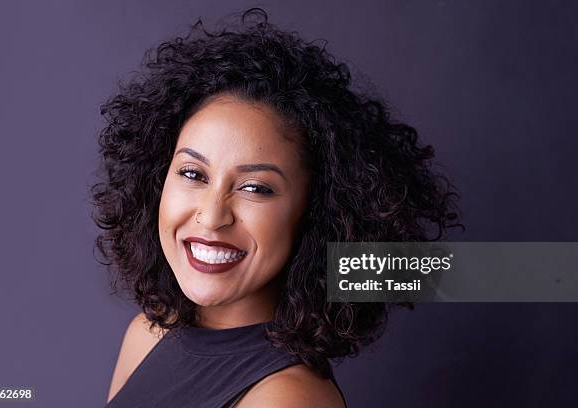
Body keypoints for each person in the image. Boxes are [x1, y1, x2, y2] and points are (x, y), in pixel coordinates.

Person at [90, 8, 461, 408]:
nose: (213, 216)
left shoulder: (287, 398)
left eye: (255, 187)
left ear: (315, 212)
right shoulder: (148, 332)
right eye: (194, 174)